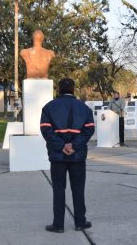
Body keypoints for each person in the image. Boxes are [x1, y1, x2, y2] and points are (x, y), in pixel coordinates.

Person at [40, 78, 95, 233]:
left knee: (58, 189)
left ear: (58, 90)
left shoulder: (49, 107)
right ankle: (80, 223)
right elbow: (89, 130)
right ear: (73, 89)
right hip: (77, 157)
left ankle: (58, 225)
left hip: (58, 157)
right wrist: (74, 145)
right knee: (78, 189)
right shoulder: (84, 108)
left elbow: (46, 130)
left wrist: (61, 146)